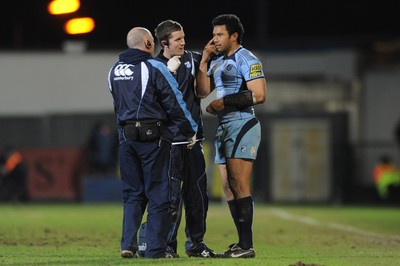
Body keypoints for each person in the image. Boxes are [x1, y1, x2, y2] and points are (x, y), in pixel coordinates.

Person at [107, 26, 198, 259]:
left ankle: (128, 244)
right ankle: (155, 250)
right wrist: (190, 130)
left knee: (132, 194)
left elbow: (118, 107)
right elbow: (174, 102)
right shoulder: (154, 66)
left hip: (126, 139)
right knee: (160, 194)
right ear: (148, 44)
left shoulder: (114, 70)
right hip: (153, 139)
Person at [196, 14, 267, 258]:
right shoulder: (216, 61)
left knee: (238, 184)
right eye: (213, 34)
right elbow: (202, 92)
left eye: (219, 34)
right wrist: (204, 61)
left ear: (234, 36)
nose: (214, 39)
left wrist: (223, 101)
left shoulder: (246, 58)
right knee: (227, 186)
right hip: (224, 126)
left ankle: (247, 246)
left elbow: (258, 94)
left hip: (242, 123)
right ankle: (241, 243)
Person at [153, 19, 217, 258]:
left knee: (198, 196)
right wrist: (167, 73)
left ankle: (196, 245)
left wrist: (205, 61)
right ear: (164, 43)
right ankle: (168, 246)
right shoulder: (154, 66)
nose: (183, 42)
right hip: (168, 143)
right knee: (170, 198)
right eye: (178, 39)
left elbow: (202, 92)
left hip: (193, 140)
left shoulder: (192, 58)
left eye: (183, 37)